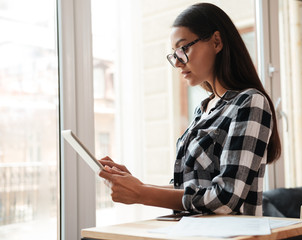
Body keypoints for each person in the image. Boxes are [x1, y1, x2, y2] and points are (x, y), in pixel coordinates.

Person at [99, 2, 281, 216]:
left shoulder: (250, 103)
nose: (177, 62)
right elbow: (187, 191)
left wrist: (142, 193)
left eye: (183, 48)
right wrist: (138, 186)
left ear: (216, 41)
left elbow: (226, 197)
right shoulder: (203, 110)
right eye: (174, 54)